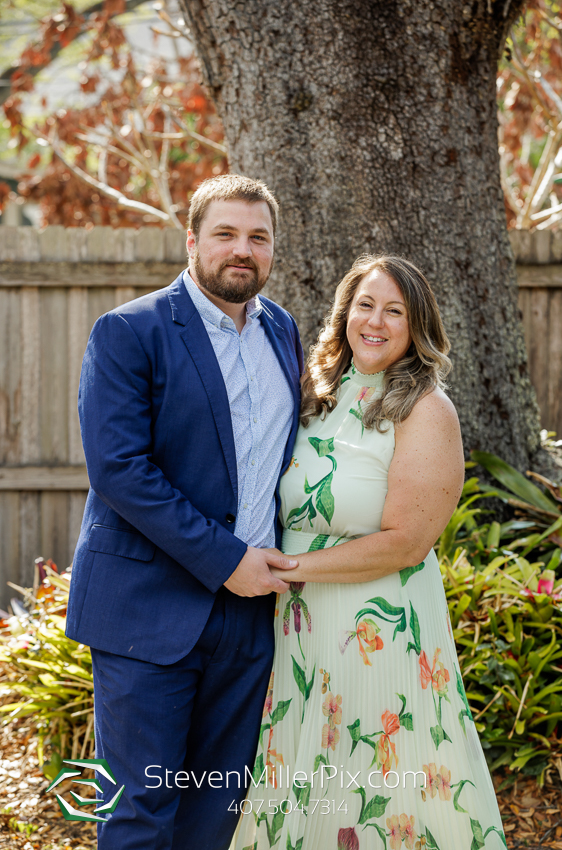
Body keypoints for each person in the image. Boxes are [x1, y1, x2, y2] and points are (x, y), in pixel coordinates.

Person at [234, 255, 507, 850]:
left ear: (417, 327)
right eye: (365, 305)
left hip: (376, 626)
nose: (375, 321)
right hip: (299, 624)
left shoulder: (426, 410)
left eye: (394, 311)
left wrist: (290, 568)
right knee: (307, 773)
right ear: (345, 313)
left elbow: (407, 542)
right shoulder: (316, 392)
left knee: (378, 775)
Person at [65, 174, 304, 850]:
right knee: (141, 810)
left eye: (257, 237)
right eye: (225, 234)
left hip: (249, 617)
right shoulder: (130, 331)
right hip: (149, 611)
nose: (242, 250)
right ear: (192, 240)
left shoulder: (281, 330)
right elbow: (119, 470)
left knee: (214, 811)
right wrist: (227, 560)